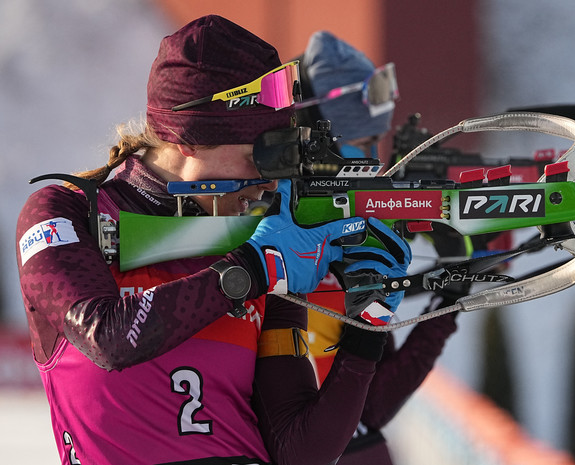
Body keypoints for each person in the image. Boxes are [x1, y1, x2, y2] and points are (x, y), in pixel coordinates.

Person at [16, 15, 409, 465]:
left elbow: (300, 452)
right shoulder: (66, 213)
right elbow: (110, 337)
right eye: (256, 156)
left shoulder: (260, 237)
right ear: (190, 140)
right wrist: (255, 268)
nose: (267, 183)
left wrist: (371, 318)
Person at [292, 30, 469, 464]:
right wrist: (447, 306)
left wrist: (449, 290)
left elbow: (371, 398)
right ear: (323, 142)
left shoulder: (332, 236)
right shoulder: (286, 238)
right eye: (368, 145)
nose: (378, 160)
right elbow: (371, 407)